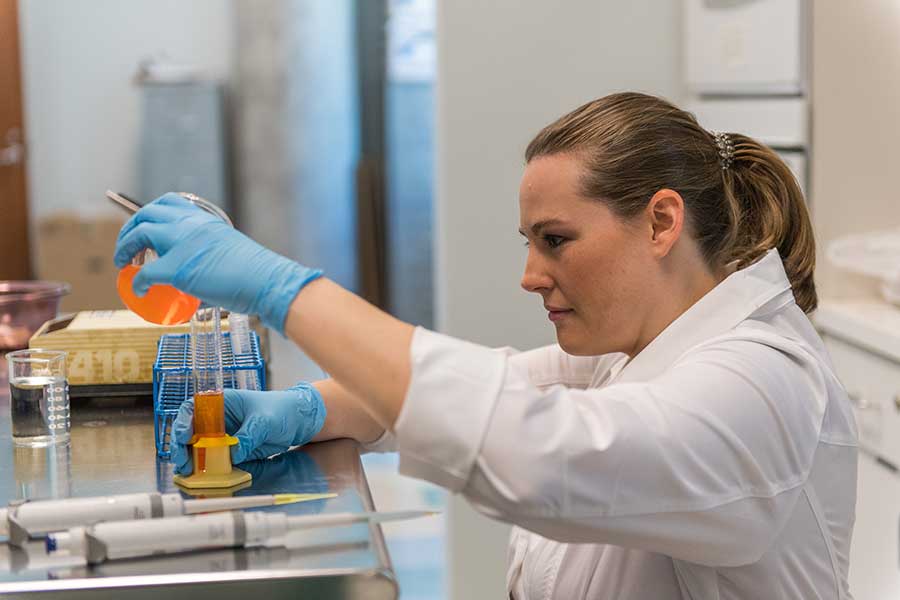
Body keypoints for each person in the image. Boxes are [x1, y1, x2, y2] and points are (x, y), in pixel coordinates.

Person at [114, 92, 857, 599]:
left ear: (662, 223)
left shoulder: (763, 380)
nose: (531, 276)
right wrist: (312, 408)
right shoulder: (634, 348)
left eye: (557, 241)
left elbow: (536, 451)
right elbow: (509, 385)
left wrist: (281, 291)